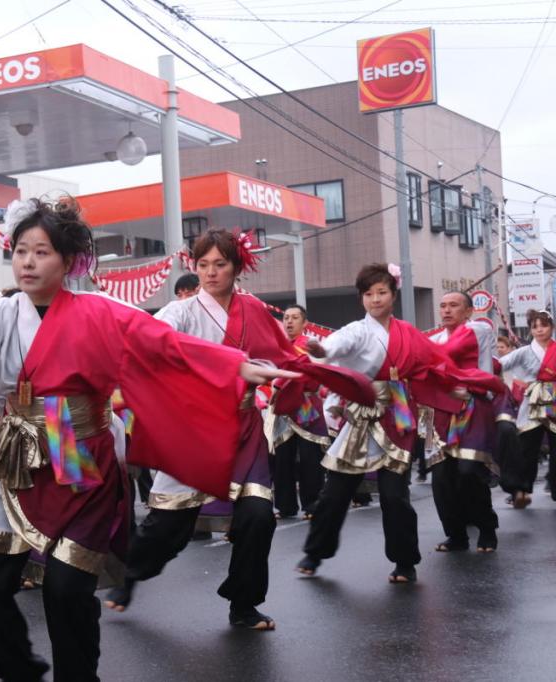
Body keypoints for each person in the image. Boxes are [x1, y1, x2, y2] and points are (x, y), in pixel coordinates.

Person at [0, 198, 298, 681]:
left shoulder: (100, 311)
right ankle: (19, 668)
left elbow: (166, 344)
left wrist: (235, 365)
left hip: (82, 459)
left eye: (41, 252)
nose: (28, 262)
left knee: (66, 586)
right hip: (16, 456)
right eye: (21, 251)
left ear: (66, 261)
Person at [103, 230, 373, 631]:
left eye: (220, 264)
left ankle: (243, 604)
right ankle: (132, 575)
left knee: (258, 516)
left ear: (237, 267)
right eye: (203, 265)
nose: (210, 273)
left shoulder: (254, 311)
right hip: (193, 429)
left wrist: (303, 369)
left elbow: (280, 354)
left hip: (244, 427)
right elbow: (153, 339)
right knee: (170, 528)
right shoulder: (182, 312)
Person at [295, 264, 503, 584]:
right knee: (336, 491)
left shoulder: (408, 333)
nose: (375, 299)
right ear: (361, 298)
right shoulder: (357, 330)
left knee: (394, 495)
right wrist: (321, 350)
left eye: (381, 292)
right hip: (362, 414)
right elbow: (336, 347)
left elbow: (434, 363)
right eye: (368, 294)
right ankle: (315, 552)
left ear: (393, 295)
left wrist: (455, 386)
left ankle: (404, 562)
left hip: (398, 415)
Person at [425, 292, 499, 553]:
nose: (446, 311)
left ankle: (487, 527)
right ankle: (456, 535)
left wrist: (420, 349)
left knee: (469, 472)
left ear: (468, 311)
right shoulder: (434, 340)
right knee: (442, 478)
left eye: (454, 306)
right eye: (442, 306)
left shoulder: (478, 330)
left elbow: (443, 355)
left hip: (473, 407)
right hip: (441, 413)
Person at [269, 304, 329, 520]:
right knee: (282, 458)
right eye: (286, 318)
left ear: (304, 323)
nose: (289, 322)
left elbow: (314, 374)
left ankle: (313, 503)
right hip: (282, 406)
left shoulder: (311, 347)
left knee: (309, 456)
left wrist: (280, 382)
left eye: (295, 318)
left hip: (305, 404)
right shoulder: (276, 346)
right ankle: (285, 506)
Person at [498, 309, 556, 508]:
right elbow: (500, 364)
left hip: (554, 404)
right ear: (531, 330)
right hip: (531, 404)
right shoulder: (523, 351)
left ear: (552, 327)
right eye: (535, 327)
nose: (539, 330)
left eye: (544, 325)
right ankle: (520, 489)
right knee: (526, 449)